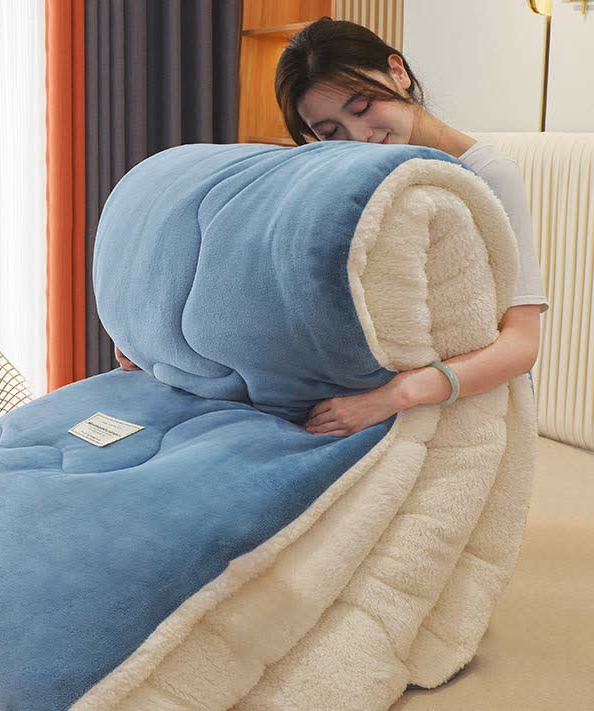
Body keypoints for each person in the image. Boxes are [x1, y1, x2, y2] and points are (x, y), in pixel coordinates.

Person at [116, 16, 550, 438]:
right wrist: (151, 338)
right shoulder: (340, 183)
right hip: (358, 391)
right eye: (329, 131)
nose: (359, 135)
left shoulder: (487, 175)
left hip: (439, 401)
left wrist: (394, 396)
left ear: (397, 72)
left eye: (363, 107)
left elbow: (521, 346)